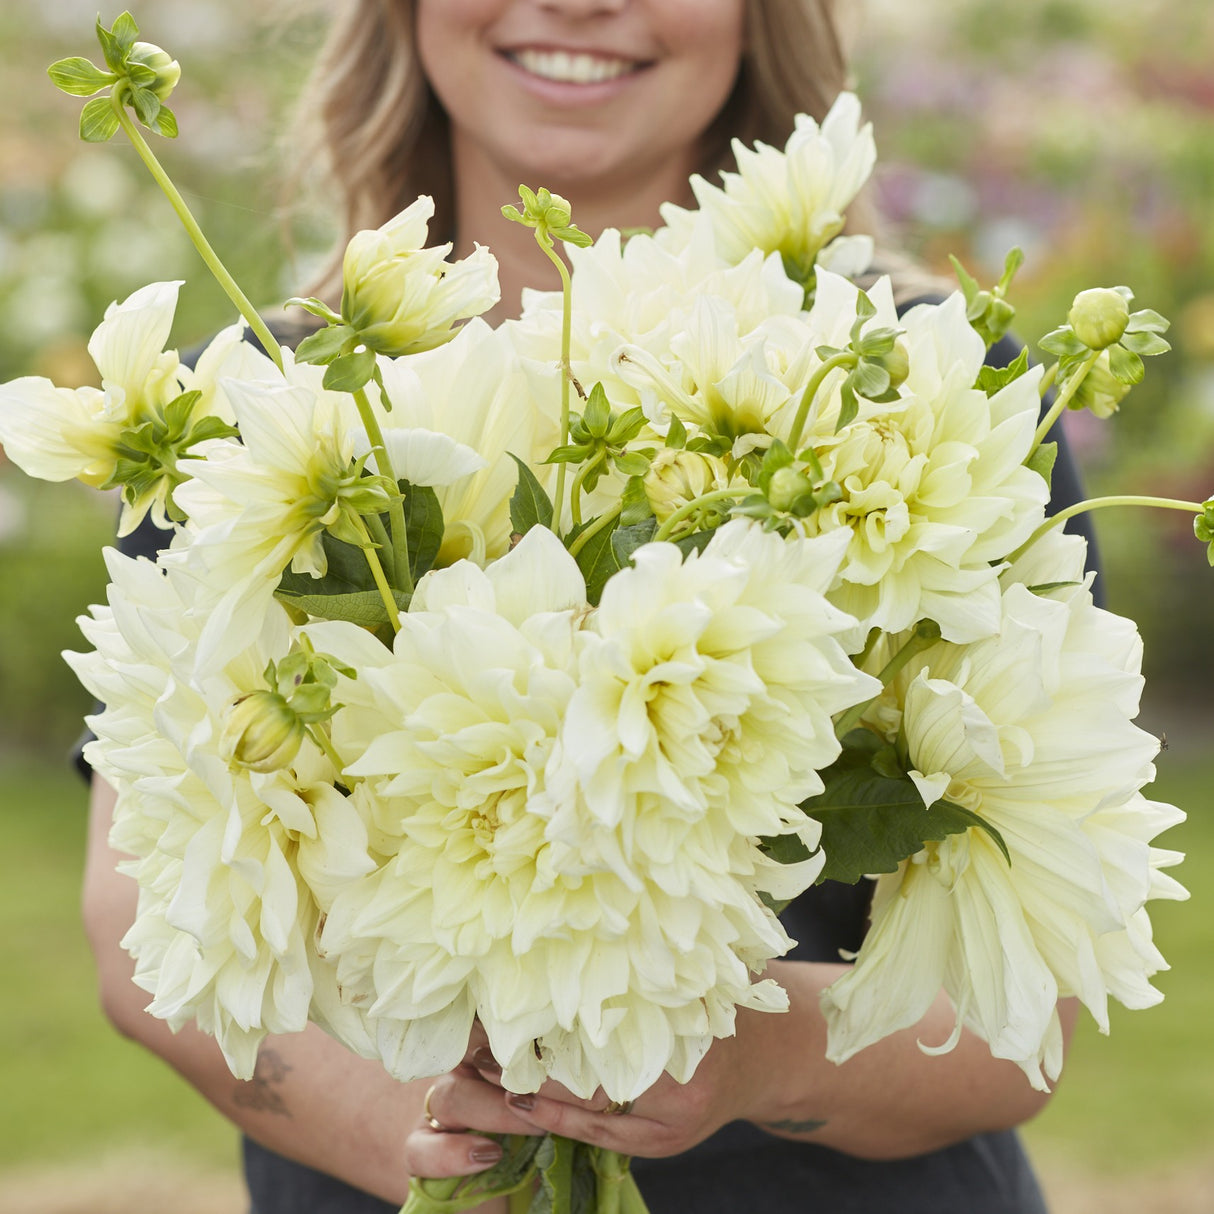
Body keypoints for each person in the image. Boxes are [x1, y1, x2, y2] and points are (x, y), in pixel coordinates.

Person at [81, 2, 1089, 1211]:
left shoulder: (926, 394)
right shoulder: (261, 409)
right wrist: (435, 1140)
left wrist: (756, 1053)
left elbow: (1026, 999)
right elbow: (140, 914)